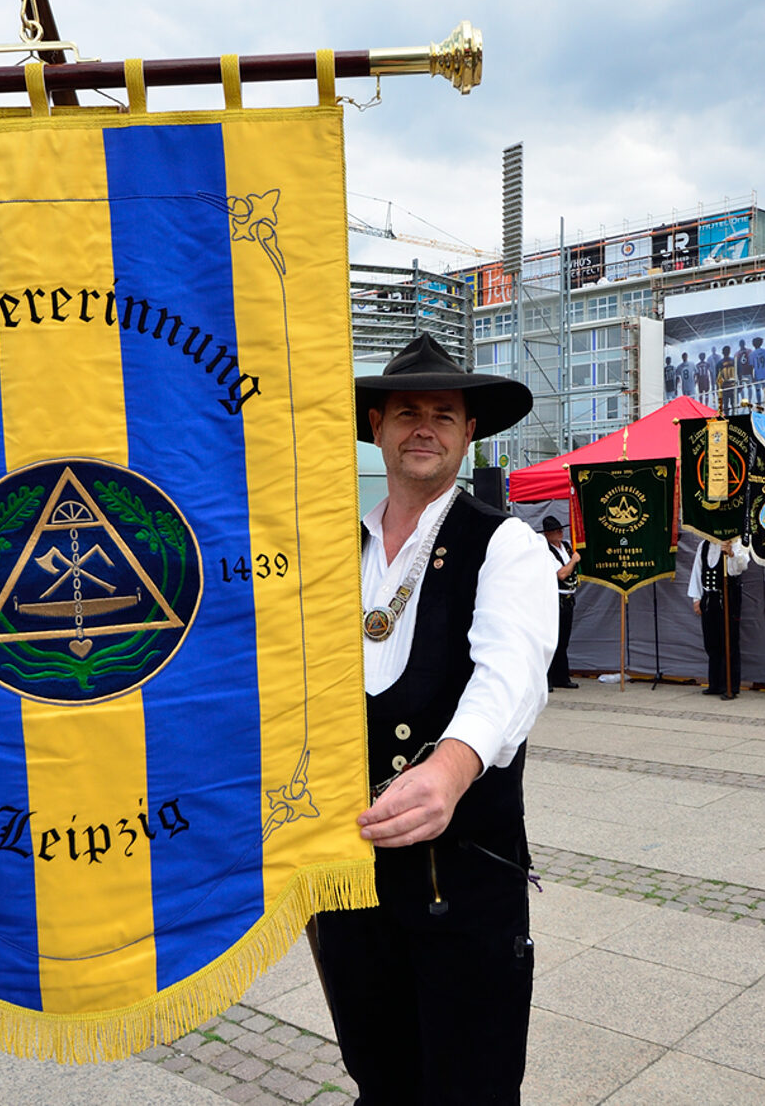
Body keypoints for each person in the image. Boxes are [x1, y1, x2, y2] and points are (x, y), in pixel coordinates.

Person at [311, 332, 554, 1104]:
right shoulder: (326, 550)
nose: (426, 427)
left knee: (469, 1089)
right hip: (344, 876)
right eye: (408, 411)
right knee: (377, 1077)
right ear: (376, 425)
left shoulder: (505, 543)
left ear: (468, 431)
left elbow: (511, 675)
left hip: (462, 877)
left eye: (444, 414)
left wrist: (450, 766)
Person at [688, 537, 751, 699]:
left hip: (728, 598)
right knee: (711, 642)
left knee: (729, 642)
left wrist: (730, 554)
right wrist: (696, 598)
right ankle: (715, 683)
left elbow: (740, 567)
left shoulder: (736, 543)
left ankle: (730, 686)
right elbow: (697, 570)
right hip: (710, 598)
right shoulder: (704, 545)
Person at [541, 515, 580, 690]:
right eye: (556, 531)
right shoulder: (546, 551)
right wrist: (574, 561)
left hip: (568, 597)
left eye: (561, 530)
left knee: (563, 640)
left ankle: (561, 676)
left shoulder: (566, 547)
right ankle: (546, 679)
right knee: (551, 640)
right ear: (548, 534)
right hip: (554, 598)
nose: (560, 533)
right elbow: (561, 574)